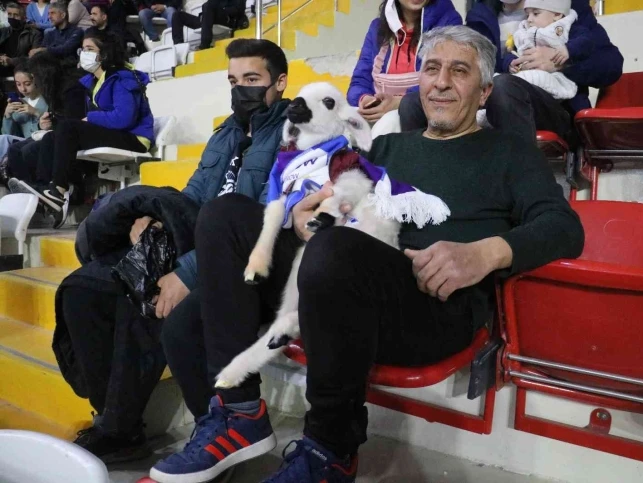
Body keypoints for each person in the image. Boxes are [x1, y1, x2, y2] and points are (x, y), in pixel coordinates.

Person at [150, 25, 584, 483]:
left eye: (459, 72)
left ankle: (330, 450)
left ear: (485, 92)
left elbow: (564, 227)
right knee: (224, 218)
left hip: (433, 305)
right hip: (341, 283)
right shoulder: (387, 146)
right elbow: (336, 202)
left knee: (334, 249)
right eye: (432, 69)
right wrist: (303, 216)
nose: (440, 83)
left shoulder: (510, 152)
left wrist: (486, 253)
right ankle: (238, 414)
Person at [52, 38, 289, 465]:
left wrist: (187, 272)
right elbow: (195, 192)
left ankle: (199, 427)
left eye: (252, 79)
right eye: (233, 81)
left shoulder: (295, 134)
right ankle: (116, 417)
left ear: (280, 82)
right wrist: (158, 220)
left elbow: (265, 219)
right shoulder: (225, 133)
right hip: (191, 240)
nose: (241, 90)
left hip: (241, 259)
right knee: (81, 290)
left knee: (147, 299)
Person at [398, 0, 623, 142]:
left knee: (502, 87)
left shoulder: (563, 6)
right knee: (413, 103)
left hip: (555, 109)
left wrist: (559, 62)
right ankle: (419, 189)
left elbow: (611, 65)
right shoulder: (480, 13)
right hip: (488, 105)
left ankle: (517, 185)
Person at [10, 30, 154, 228]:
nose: (84, 53)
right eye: (83, 49)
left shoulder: (122, 77)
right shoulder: (95, 81)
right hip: (118, 133)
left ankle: (58, 192)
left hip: (134, 137)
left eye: (89, 49)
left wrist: (91, 118)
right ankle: (46, 190)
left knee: (69, 127)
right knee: (52, 137)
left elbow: (124, 118)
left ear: (104, 53)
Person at [347, 0, 461, 123]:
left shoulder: (449, 23)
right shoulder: (377, 28)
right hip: (378, 119)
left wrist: (400, 103)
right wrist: (366, 100)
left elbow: (443, 84)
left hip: (424, 122)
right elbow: (360, 80)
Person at [5, 52, 86, 199]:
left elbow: (72, 120)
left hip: (69, 133)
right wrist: (45, 121)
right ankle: (27, 189)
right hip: (56, 130)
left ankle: (42, 188)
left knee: (30, 150)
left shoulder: (70, 88)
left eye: (34, 78)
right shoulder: (52, 89)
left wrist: (43, 117)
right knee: (14, 149)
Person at [508, 0, 586, 100]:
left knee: (517, 82)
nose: (529, 19)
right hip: (529, 82)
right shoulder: (524, 31)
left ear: (557, 14)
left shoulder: (567, 28)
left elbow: (586, 41)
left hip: (557, 80)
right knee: (498, 80)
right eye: (527, 15)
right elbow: (514, 51)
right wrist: (510, 63)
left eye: (536, 13)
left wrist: (568, 49)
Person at [0, 61, 47, 183]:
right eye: (18, 84)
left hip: (38, 141)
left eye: (27, 84)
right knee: (3, 139)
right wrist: (7, 116)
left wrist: (35, 112)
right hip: (21, 143)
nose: (23, 89)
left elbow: (51, 122)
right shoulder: (19, 101)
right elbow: (8, 133)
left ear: (36, 80)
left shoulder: (46, 99)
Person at [170, 0, 249, 50]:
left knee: (208, 5)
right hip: (208, 18)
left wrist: (221, 10)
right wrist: (204, 14)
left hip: (227, 19)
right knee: (177, 15)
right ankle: (179, 48)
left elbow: (238, 9)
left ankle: (205, 44)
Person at [0, 3, 43, 75]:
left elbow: (35, 59)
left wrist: (11, 61)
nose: (12, 17)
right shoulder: (3, 31)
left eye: (16, 15)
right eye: (9, 14)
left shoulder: (34, 34)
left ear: (24, 17)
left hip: (23, 70)